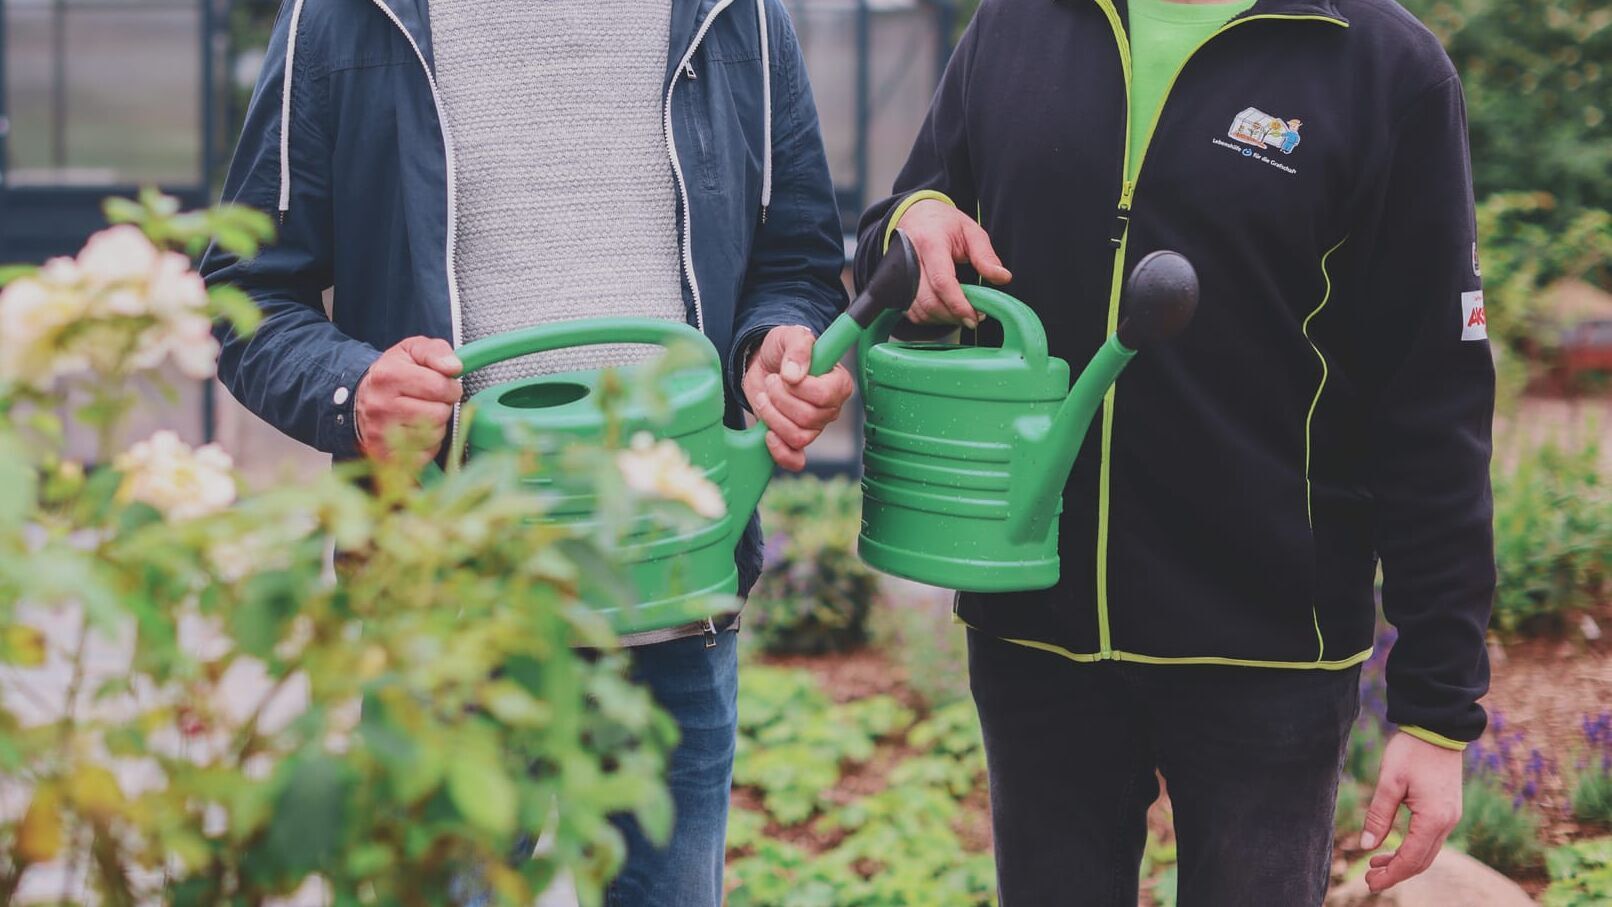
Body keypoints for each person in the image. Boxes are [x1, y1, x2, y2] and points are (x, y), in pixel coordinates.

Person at [203, 1, 852, 904]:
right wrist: (356, 391)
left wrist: (778, 340)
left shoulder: (737, 13)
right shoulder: (346, 17)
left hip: (672, 589)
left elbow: (797, 260)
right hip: (447, 608)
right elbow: (246, 297)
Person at [855, 0, 1493, 903]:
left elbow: (1435, 400)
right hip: (1037, 630)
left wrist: (1436, 712)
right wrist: (912, 223)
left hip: (1269, 655)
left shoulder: (1383, 66)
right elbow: (904, 218)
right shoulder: (1017, 24)